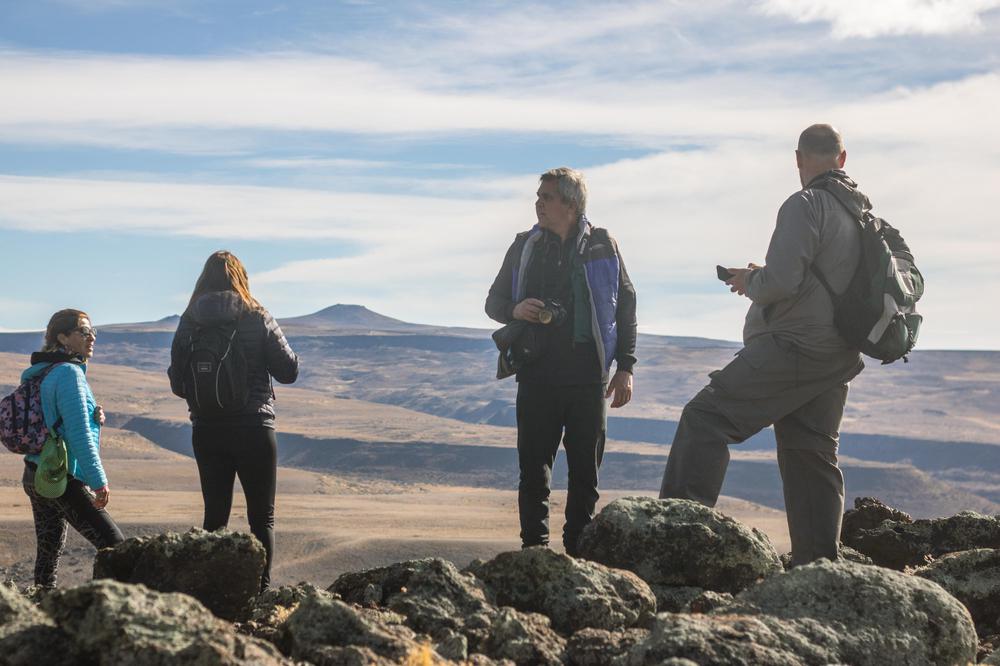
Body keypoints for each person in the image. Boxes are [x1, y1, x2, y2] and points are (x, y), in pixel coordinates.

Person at [659, 124, 867, 566]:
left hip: (796, 346)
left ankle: (674, 546)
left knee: (705, 419)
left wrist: (750, 279)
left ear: (798, 159)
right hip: (838, 355)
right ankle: (818, 567)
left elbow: (782, 281)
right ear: (842, 159)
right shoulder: (863, 215)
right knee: (809, 452)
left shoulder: (805, 204)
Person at [486, 167, 637, 556]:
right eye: (538, 196)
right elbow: (493, 303)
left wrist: (626, 368)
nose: (538, 203)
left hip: (588, 377)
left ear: (571, 204)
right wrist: (517, 309)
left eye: (546, 197)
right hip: (536, 375)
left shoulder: (603, 246)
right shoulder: (524, 246)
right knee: (534, 470)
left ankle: (578, 551)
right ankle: (534, 550)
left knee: (586, 473)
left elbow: (626, 307)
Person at [168, 251, 298, 589]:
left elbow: (178, 384)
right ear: (241, 278)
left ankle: (211, 592)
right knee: (262, 518)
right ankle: (261, 592)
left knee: (214, 517)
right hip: (255, 427)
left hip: (207, 430)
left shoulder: (188, 321)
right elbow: (288, 371)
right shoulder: (257, 316)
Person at [21, 309, 124, 588]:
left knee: (49, 553)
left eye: (93, 332)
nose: (92, 337)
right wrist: (98, 481)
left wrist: (92, 415)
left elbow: (54, 417)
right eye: (84, 331)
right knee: (116, 547)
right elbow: (78, 435)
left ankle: (39, 613)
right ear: (63, 337)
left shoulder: (42, 371)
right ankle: (102, 610)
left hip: (35, 472)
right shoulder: (69, 374)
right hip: (62, 477)